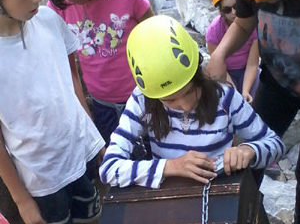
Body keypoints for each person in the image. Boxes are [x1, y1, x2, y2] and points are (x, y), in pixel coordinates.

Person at [99, 15, 284, 189]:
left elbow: (275, 144)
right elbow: (108, 169)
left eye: (189, 92)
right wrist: (170, 167)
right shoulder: (142, 100)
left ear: (198, 74)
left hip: (217, 194)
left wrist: (248, 150)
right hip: (168, 202)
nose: (185, 105)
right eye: (170, 100)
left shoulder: (225, 98)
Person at [0, 0, 106, 224]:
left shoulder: (48, 20)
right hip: (43, 180)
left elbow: (72, 80)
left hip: (80, 155)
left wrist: (94, 139)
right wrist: (21, 200)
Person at [206, 0, 300, 224]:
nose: (268, 4)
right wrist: (219, 54)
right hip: (277, 81)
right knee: (246, 153)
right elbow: (245, 23)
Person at [41, 0, 154, 146]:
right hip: (102, 105)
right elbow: (65, 67)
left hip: (144, 98)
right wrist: (88, 118)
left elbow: (156, 36)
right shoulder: (57, 10)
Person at [206, 0, 260, 103]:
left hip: (248, 70)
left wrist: (245, 91)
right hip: (227, 72)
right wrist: (234, 91)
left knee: (256, 98)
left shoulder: (253, 24)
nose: (234, 12)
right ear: (221, 12)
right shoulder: (214, 31)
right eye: (227, 9)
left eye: (236, 6)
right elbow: (218, 63)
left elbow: (253, 64)